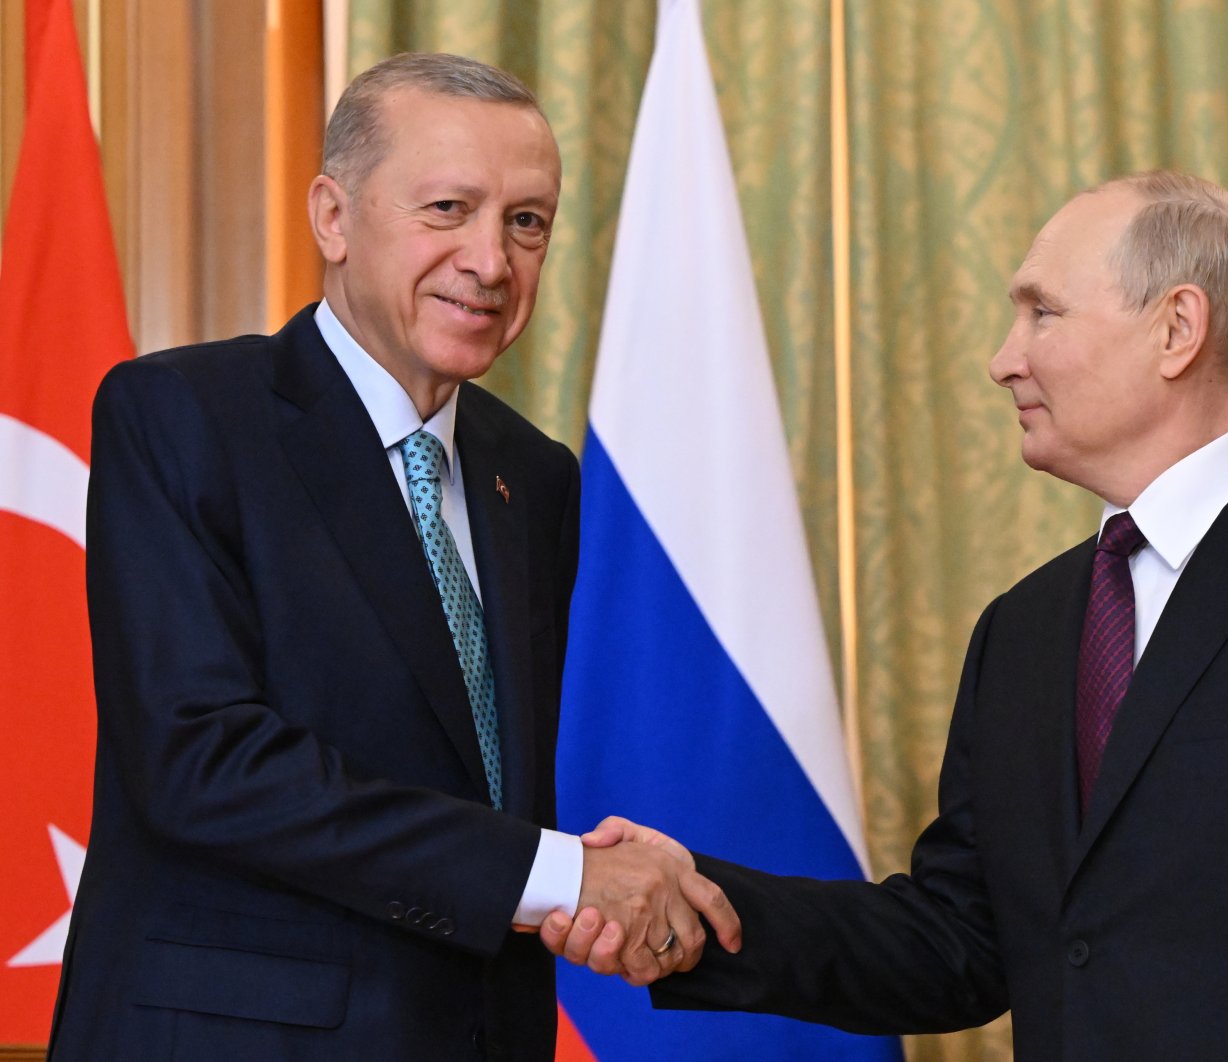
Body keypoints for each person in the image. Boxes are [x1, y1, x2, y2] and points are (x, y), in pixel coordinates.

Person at [543, 171, 1228, 1059]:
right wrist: (703, 916)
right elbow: (960, 940)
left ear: (1177, 327)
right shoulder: (1029, 628)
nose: (1005, 357)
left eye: (1042, 311)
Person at [49, 53, 735, 1062]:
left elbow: (485, 784)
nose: (491, 262)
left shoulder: (531, 477)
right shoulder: (185, 415)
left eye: (526, 221)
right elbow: (204, 762)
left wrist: (582, 884)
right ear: (333, 216)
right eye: (448, 208)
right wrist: (556, 876)